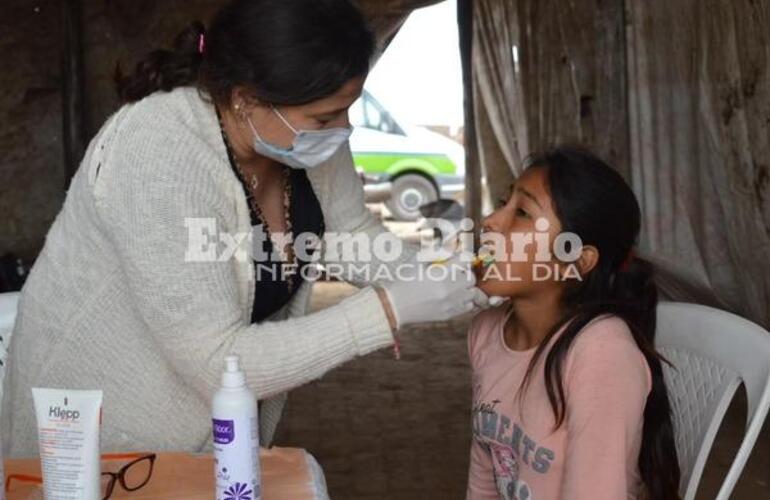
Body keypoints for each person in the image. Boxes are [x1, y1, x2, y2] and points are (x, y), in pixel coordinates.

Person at [2, 0, 486, 456]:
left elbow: (349, 233)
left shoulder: (301, 136)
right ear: (244, 99)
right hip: (96, 441)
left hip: (212, 441)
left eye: (348, 107)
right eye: (325, 116)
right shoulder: (158, 155)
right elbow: (219, 363)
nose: (344, 130)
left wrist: (449, 274)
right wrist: (385, 310)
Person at [466, 147, 680, 499]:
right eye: (503, 202)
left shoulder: (601, 353)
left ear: (576, 261)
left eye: (521, 212)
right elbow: (485, 474)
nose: (490, 221)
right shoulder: (486, 331)